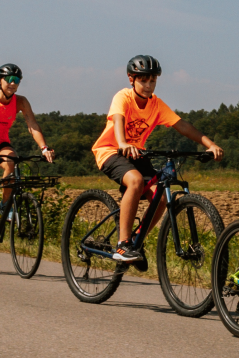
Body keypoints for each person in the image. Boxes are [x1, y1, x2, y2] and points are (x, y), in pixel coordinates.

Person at [93, 55, 224, 265]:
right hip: (111, 151)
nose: (148, 85)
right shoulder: (123, 97)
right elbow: (118, 120)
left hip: (138, 154)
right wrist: (123, 143)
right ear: (131, 79)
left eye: (152, 81)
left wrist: (210, 144)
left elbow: (183, 126)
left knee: (161, 198)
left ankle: (136, 241)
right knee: (135, 181)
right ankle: (122, 245)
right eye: (143, 80)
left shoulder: (156, 105)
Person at [0, 64, 54, 266]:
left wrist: (44, 148)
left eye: (17, 81)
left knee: (12, 162)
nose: (13, 84)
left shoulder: (20, 102)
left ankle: (5, 204)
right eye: (9, 80)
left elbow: (32, 124)